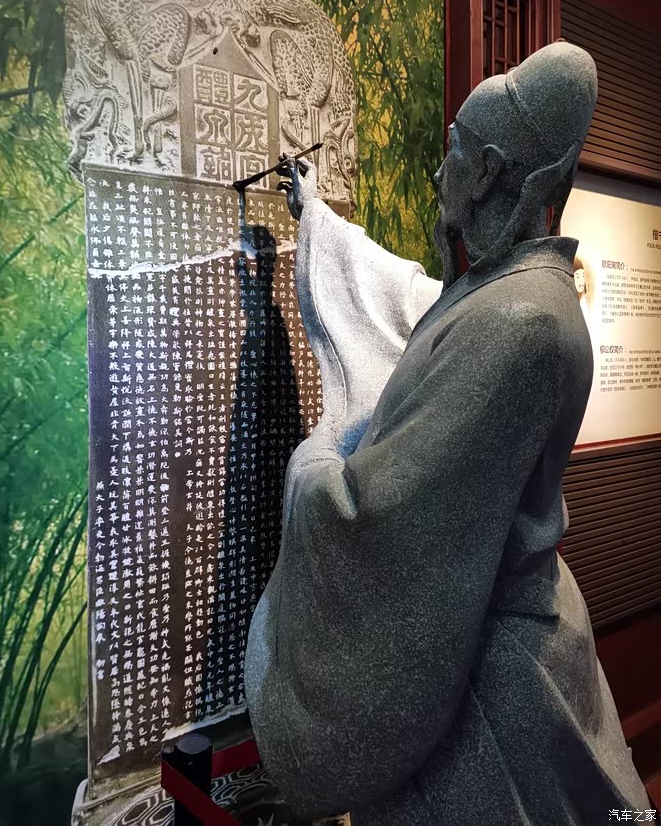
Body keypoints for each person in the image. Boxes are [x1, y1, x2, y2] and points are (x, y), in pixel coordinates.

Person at [244, 43, 649, 824]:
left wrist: (314, 463)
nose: (439, 171)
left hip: (488, 680)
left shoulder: (523, 324)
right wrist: (319, 220)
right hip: (502, 634)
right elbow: (405, 289)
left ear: (490, 171)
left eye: (455, 151)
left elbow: (380, 516)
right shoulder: (506, 289)